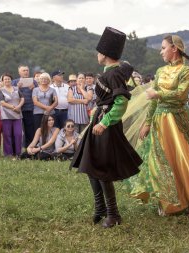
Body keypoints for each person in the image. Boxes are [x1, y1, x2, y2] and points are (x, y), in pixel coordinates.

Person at [134, 34, 189, 217]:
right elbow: (153, 102)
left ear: (174, 48)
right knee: (158, 161)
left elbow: (181, 95)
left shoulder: (186, 72)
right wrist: (147, 122)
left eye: (163, 48)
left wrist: (158, 95)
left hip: (177, 121)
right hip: (159, 121)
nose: (161, 52)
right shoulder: (160, 71)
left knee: (182, 161)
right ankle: (167, 202)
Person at [70, 27, 142, 228]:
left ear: (105, 54)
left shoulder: (115, 74)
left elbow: (121, 103)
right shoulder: (113, 72)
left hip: (106, 126)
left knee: (101, 168)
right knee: (91, 165)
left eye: (99, 52)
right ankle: (100, 208)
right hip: (99, 121)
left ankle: (114, 214)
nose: (97, 55)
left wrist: (104, 122)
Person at [0, 73, 24, 157]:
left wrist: (19, 106)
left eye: (8, 79)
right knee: (7, 135)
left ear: (11, 80)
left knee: (18, 134)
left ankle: (18, 153)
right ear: (2, 81)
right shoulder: (1, 90)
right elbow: (2, 102)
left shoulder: (16, 88)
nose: (7, 80)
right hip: (6, 115)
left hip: (17, 115)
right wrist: (13, 107)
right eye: (5, 79)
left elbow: (22, 98)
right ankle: (8, 153)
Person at [12, 65, 37, 148]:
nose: (26, 72)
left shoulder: (34, 81)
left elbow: (39, 93)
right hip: (17, 109)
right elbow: (10, 94)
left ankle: (29, 147)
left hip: (30, 108)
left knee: (30, 130)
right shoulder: (14, 82)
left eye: (27, 70)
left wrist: (35, 88)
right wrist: (17, 88)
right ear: (19, 72)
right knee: (18, 131)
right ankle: (18, 148)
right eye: (24, 70)